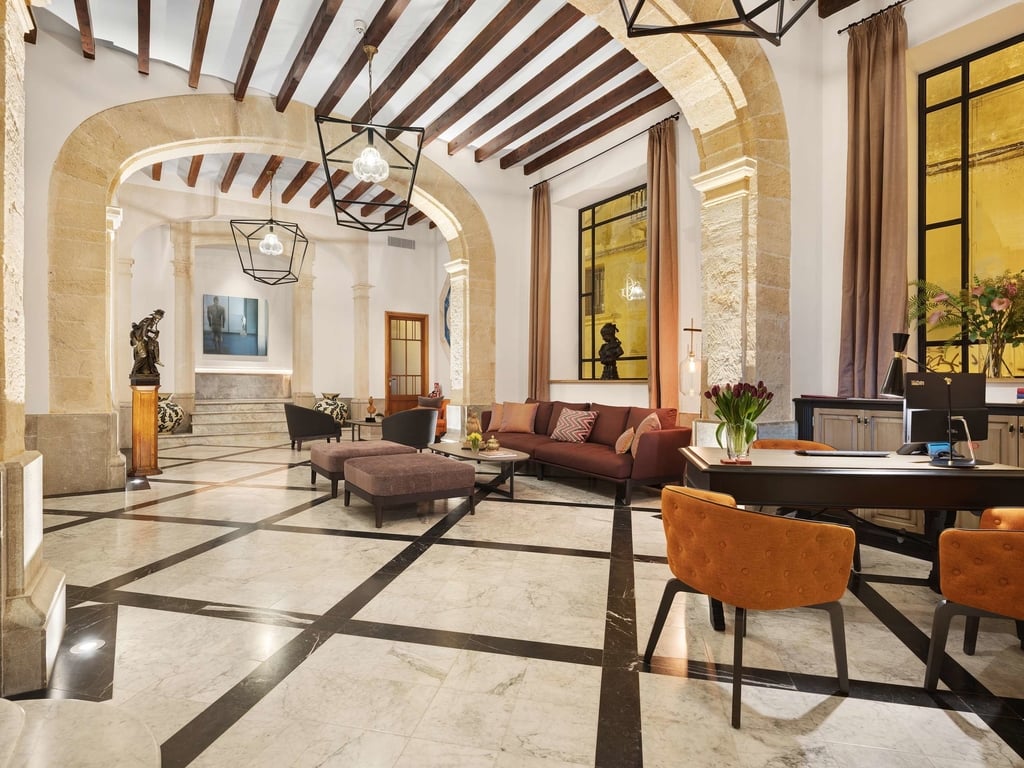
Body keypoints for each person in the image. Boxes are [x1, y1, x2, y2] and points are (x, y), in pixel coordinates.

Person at [130, 308, 164, 377]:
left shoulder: (152, 322)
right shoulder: (149, 322)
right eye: (157, 318)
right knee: (143, 355)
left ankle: (151, 368)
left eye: (159, 318)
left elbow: (149, 333)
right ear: (154, 316)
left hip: (145, 341)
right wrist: (151, 338)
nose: (158, 320)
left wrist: (155, 334)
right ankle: (135, 372)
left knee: (149, 355)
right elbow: (144, 333)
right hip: (140, 341)